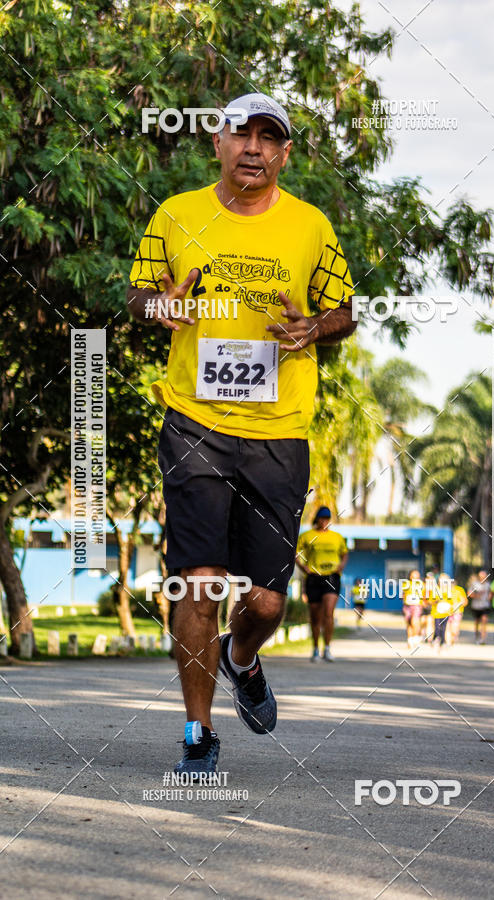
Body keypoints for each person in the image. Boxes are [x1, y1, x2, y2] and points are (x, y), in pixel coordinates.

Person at [127, 92, 356, 775]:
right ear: (218, 143)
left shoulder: (311, 226)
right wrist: (159, 305)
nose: (252, 147)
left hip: (279, 432)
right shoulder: (175, 213)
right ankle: (198, 733)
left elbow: (345, 310)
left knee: (264, 601)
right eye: (240, 133)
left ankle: (243, 655)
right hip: (194, 420)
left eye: (267, 137)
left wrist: (315, 326)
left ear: (284, 153)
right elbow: (138, 294)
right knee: (197, 584)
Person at [296, 507, 349, 661]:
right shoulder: (307, 536)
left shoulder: (336, 537)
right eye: (322, 518)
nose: (324, 521)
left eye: (327, 518)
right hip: (313, 577)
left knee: (328, 612)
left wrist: (341, 565)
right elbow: (296, 552)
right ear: (317, 519)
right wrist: (303, 567)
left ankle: (327, 648)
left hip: (331, 576)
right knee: (315, 616)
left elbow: (344, 553)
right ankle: (315, 648)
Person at [429, 573, 454, 652]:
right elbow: (430, 601)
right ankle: (435, 638)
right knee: (437, 627)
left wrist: (451, 609)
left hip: (446, 612)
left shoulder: (450, 591)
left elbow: (452, 602)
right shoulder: (435, 590)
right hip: (437, 612)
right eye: (441, 580)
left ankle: (442, 642)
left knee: (444, 627)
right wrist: (435, 601)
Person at [467, 570, 492, 644]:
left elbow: (491, 593)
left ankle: (483, 638)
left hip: (485, 605)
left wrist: (490, 597)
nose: (482, 578)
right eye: (481, 577)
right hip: (476, 606)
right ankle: (477, 636)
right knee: (477, 622)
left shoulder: (488, 584)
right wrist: (476, 595)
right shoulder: (474, 584)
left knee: (484, 620)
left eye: (484, 577)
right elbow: (469, 593)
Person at [402, 569, 424, 648]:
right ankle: (410, 640)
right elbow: (403, 594)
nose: (415, 576)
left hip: (416, 605)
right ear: (410, 576)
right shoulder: (406, 584)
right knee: (409, 623)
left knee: (415, 622)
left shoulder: (421, 584)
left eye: (416, 574)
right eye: (413, 574)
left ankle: (416, 637)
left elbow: (425, 594)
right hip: (407, 605)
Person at [446, 579, 468, 646]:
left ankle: (453, 637)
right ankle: (448, 641)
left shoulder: (459, 590)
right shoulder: (444, 590)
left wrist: (461, 603)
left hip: (457, 612)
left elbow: (465, 602)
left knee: (455, 628)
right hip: (447, 612)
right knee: (447, 627)